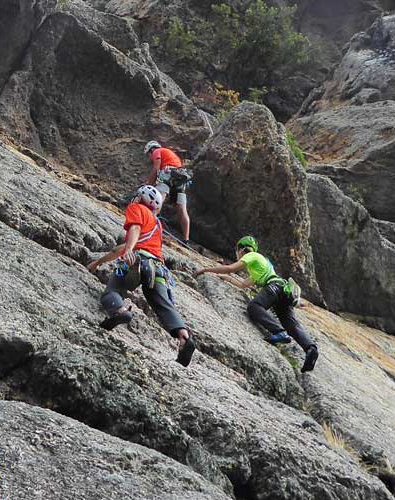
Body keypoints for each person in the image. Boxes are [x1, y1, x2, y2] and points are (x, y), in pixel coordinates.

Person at [86, 185, 196, 366]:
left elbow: (134, 232)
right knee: (163, 304)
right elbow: (120, 249)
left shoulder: (136, 209)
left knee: (113, 291)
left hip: (137, 259)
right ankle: (183, 336)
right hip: (158, 269)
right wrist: (98, 262)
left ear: (140, 198)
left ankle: (120, 311)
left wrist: (129, 250)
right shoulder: (157, 225)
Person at [196, 235, 318, 372]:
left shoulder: (252, 255)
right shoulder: (260, 264)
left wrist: (206, 270)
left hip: (274, 287)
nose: (237, 254)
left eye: (237, 250)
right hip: (283, 291)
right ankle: (310, 349)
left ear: (241, 249)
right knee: (291, 324)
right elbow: (243, 284)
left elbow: (230, 268)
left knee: (254, 307)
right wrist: (227, 279)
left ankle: (279, 332)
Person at [143, 140, 191, 241]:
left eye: (148, 155)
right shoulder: (171, 155)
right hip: (181, 178)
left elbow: (156, 170)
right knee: (182, 209)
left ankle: (148, 225)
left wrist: (148, 185)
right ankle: (186, 239)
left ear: (151, 150)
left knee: (158, 198)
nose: (150, 158)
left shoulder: (157, 151)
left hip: (168, 173)